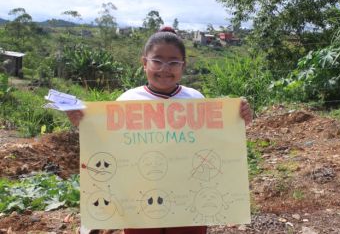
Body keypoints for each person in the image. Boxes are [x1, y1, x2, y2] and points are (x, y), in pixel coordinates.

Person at [67, 26, 252, 234]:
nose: (165, 68)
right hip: (139, 196)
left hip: (188, 196)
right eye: (157, 60)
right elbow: (108, 143)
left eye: (173, 62)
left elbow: (215, 142)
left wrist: (238, 118)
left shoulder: (196, 100)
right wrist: (84, 122)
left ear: (183, 65)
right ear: (144, 63)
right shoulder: (127, 101)